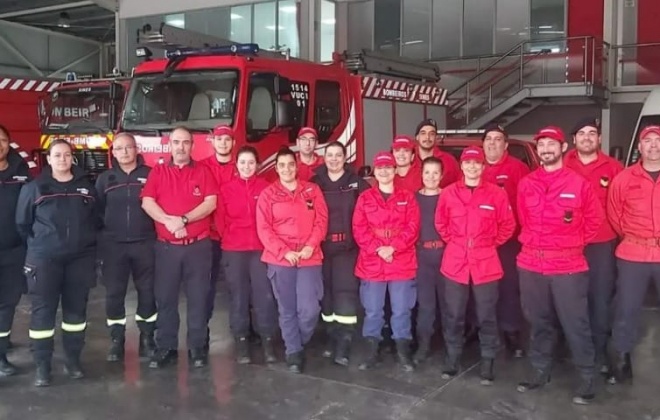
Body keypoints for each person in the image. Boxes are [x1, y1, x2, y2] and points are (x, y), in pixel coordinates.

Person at [515, 126, 603, 405]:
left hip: (568, 266)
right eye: (541, 145)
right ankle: (540, 371)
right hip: (531, 264)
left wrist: (570, 244)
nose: (546, 149)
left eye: (552, 144)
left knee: (576, 324)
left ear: (564, 148)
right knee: (538, 322)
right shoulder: (527, 184)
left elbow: (594, 222)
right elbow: (523, 218)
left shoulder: (579, 184)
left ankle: (587, 377)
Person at [15, 139, 100, 387]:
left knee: (76, 314)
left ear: (72, 158)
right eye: (57, 155)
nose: (62, 159)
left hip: (79, 260)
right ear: (48, 159)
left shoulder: (86, 187)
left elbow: (96, 219)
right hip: (44, 261)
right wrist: (43, 245)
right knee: (43, 315)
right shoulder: (35, 187)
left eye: (66, 155)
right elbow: (23, 224)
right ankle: (43, 366)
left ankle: (73, 360)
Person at [435, 146, 515, 384]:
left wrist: (488, 244)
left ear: (483, 166)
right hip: (455, 261)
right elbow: (441, 223)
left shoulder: (496, 194)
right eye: (467, 162)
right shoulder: (448, 193)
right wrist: (459, 244)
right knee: (454, 314)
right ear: (461, 166)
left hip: (486, 262)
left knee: (487, 314)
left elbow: (508, 225)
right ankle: (452, 358)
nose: (472, 166)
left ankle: (488, 361)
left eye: (476, 163)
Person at [141, 126, 217, 369]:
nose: (181, 147)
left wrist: (184, 220)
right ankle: (166, 346)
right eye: (176, 142)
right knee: (165, 298)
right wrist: (171, 223)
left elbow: (210, 203)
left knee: (198, 298)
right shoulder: (158, 172)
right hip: (167, 248)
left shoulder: (203, 172)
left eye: (186, 142)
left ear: (192, 146)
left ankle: (197, 347)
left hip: (198, 247)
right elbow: (147, 202)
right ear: (169, 145)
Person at [256, 148, 328, 373]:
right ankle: (293, 351)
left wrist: (310, 246)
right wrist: (283, 251)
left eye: (290, 164)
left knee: (309, 309)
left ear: (297, 167)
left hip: (309, 256)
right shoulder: (268, 194)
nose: (287, 169)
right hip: (280, 259)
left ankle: (300, 338)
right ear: (276, 168)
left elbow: (321, 221)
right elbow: (264, 228)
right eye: (282, 165)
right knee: (287, 308)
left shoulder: (312, 190)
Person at [564, 117, 623, 374]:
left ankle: (599, 352)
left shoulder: (614, 168)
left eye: (592, 133)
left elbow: (622, 206)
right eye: (581, 133)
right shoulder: (563, 166)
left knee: (600, 299)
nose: (587, 137)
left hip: (601, 245)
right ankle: (574, 349)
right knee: (570, 300)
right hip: (568, 245)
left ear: (599, 139)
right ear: (573, 140)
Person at [353, 151, 420, 372]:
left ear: (394, 171)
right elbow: (359, 228)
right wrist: (378, 249)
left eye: (388, 168)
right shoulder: (365, 198)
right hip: (373, 261)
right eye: (380, 168)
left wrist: (394, 247)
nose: (384, 171)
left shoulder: (407, 197)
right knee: (373, 310)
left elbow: (413, 227)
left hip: (401, 260)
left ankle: (403, 352)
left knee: (401, 310)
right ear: (375, 172)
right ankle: (372, 351)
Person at [95, 133, 157, 362]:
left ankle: (148, 337)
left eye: (128, 147)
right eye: (119, 149)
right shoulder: (105, 179)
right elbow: (98, 211)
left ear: (136, 148)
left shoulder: (151, 175)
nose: (124, 152)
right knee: (113, 294)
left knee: (148, 292)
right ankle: (116, 339)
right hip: (114, 246)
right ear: (113, 152)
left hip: (145, 243)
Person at [607, 125, 660, 384]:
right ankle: (622, 358)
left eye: (658, 140)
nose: (653, 145)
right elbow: (615, 214)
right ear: (639, 147)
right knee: (626, 309)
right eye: (647, 141)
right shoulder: (624, 179)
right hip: (633, 252)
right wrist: (635, 237)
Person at [215, 146, 277, 365]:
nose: (247, 166)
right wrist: (231, 238)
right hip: (234, 249)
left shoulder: (267, 188)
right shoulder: (226, 189)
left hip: (261, 250)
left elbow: (273, 218)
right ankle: (241, 340)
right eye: (243, 162)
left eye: (251, 162)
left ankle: (267, 339)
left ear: (258, 165)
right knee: (238, 296)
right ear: (236, 165)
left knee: (264, 296)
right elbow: (220, 221)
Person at [310, 141, 370, 366]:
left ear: (346, 158)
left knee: (345, 294)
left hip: (347, 249)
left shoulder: (357, 183)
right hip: (322, 248)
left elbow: (368, 213)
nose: (334, 159)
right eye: (330, 155)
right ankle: (330, 337)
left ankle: (344, 343)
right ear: (324, 158)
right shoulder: (315, 183)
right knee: (326, 294)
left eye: (338, 155)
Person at [481, 124, 530, 357]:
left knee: (509, 288)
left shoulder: (518, 169)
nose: (492, 143)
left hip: (509, 242)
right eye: (489, 139)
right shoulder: (472, 168)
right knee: (480, 289)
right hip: (480, 244)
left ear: (505, 144)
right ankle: (478, 328)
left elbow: (526, 207)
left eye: (498, 139)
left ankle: (511, 332)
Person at [200, 124, 237, 353]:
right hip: (209, 236)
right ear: (212, 141)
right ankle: (201, 332)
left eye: (228, 139)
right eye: (219, 138)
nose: (223, 143)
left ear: (233, 143)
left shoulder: (242, 165)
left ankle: (244, 330)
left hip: (236, 237)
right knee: (206, 286)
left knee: (241, 286)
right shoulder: (202, 168)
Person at [0, 125, 31, 376]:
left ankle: (1, 352)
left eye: (2, 140)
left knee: (8, 302)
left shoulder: (21, 171)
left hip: (14, 249)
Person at [412, 156, 445, 364]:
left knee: (450, 304)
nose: (431, 177)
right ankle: (423, 345)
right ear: (421, 174)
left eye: (435, 173)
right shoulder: (413, 199)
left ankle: (450, 346)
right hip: (422, 257)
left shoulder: (450, 196)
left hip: (447, 255)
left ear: (441, 175)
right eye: (427, 172)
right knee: (425, 304)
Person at [414, 118, 460, 188]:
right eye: (423, 133)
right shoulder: (408, 160)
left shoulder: (449, 161)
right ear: (417, 137)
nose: (427, 137)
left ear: (436, 137)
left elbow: (460, 186)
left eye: (431, 134)